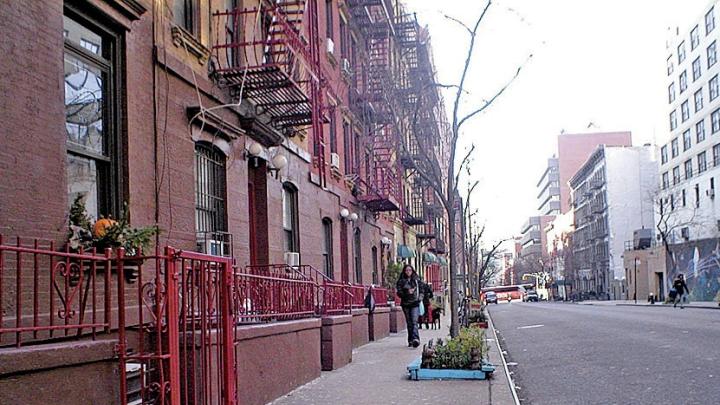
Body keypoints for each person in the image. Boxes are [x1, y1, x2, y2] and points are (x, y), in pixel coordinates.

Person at [396, 264, 429, 348]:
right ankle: (410, 340)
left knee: (414, 322)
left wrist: (420, 298)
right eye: (406, 270)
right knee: (409, 323)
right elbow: (399, 293)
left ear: (412, 271)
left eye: (410, 270)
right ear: (404, 271)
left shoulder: (417, 280)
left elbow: (422, 290)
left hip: (415, 303)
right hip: (406, 304)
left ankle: (416, 339)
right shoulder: (401, 281)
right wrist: (407, 292)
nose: (408, 272)